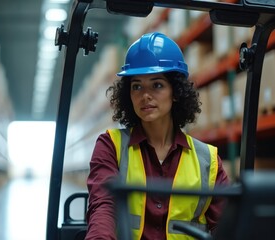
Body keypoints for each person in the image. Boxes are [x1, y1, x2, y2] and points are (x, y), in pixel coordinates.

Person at [85, 32, 229, 240]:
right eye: (137, 86)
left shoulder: (208, 160)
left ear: (176, 91)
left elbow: (226, 226)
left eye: (157, 85)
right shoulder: (111, 146)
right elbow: (103, 207)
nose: (145, 95)